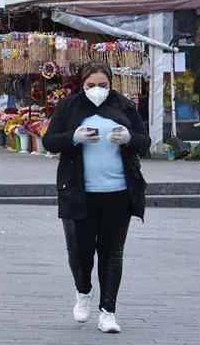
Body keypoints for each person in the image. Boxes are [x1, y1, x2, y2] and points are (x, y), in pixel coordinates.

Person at [42, 60, 150, 334]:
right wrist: (74, 137)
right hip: (78, 192)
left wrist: (128, 138)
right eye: (91, 86)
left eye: (103, 85)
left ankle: (108, 311)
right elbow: (50, 140)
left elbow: (144, 141)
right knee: (80, 252)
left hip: (118, 192)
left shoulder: (124, 105)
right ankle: (83, 290)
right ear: (82, 84)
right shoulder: (70, 107)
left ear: (111, 84)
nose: (97, 91)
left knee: (112, 253)